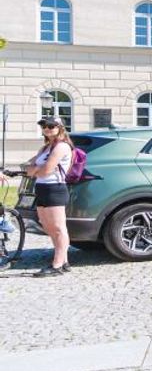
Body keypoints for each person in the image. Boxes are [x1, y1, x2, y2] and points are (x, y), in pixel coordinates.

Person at [22, 115, 73, 277]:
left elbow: (45, 171)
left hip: (55, 189)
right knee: (47, 226)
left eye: (51, 126)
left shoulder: (62, 146)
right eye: (44, 126)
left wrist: (36, 169)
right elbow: (27, 168)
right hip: (41, 188)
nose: (47, 129)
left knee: (58, 228)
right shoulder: (45, 148)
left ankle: (57, 265)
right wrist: (37, 169)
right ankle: (64, 261)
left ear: (60, 128)